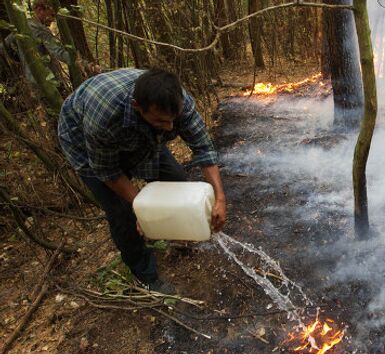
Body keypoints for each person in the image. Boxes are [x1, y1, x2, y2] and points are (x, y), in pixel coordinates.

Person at [58, 68, 227, 292]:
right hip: (85, 143)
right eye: (161, 121)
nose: (169, 127)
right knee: (122, 215)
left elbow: (203, 148)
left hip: (143, 135)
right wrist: (143, 209)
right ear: (138, 106)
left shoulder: (177, 102)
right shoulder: (105, 118)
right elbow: (108, 171)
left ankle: (176, 235)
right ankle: (146, 276)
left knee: (177, 182)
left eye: (172, 120)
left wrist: (220, 197)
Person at [1, 0, 100, 83]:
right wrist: (86, 65)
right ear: (40, 10)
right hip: (46, 82)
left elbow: (3, 47)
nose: (53, 19)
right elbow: (59, 52)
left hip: (31, 81)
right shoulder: (39, 29)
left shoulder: (22, 27)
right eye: (52, 15)